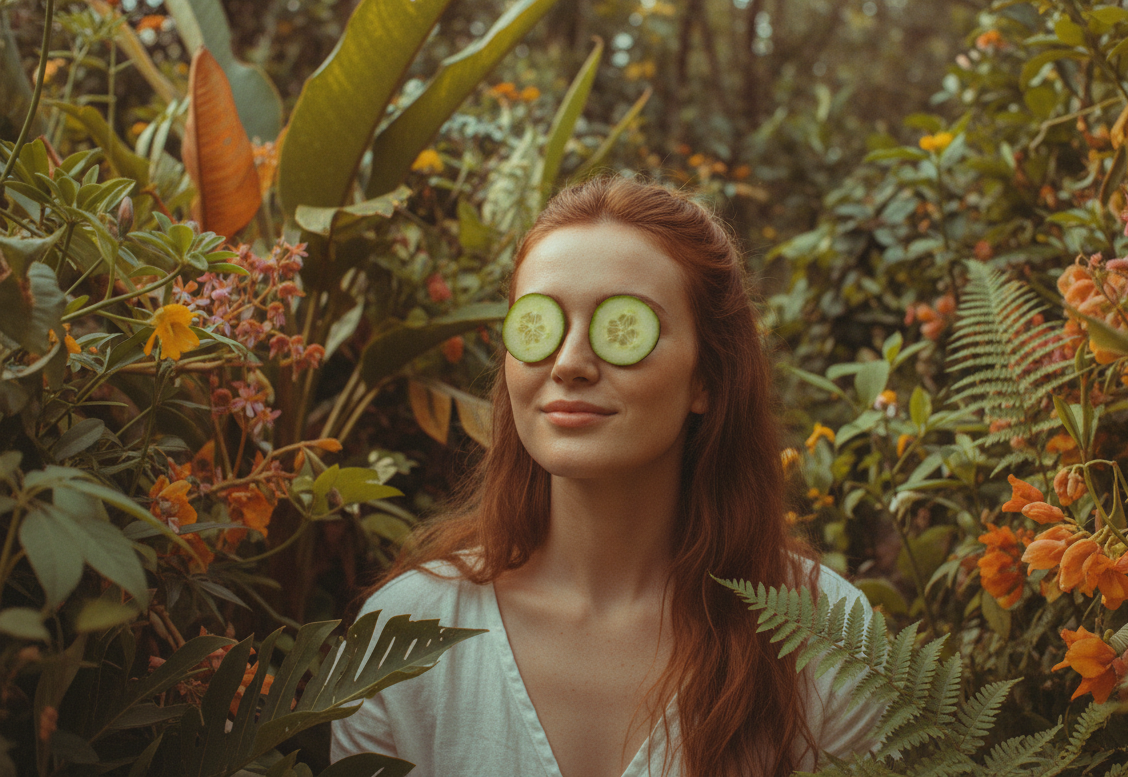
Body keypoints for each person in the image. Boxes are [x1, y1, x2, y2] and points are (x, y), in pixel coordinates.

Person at [330, 177, 877, 777]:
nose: (568, 363)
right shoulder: (404, 631)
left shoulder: (827, 639)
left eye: (624, 328)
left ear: (707, 377)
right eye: (539, 324)